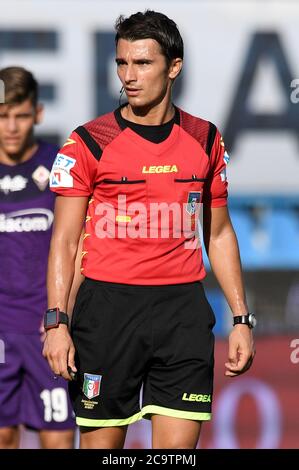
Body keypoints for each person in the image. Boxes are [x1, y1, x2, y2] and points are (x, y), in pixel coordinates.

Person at [43, 10, 256, 449]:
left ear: (174, 67)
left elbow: (218, 235)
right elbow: (64, 241)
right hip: (106, 312)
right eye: (122, 63)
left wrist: (240, 318)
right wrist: (56, 323)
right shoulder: (88, 141)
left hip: (183, 313)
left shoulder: (205, 139)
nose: (128, 76)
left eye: (142, 63)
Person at [0, 66, 76, 448]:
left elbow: (74, 245)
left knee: (59, 440)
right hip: (0, 328)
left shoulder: (60, 166)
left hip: (46, 331)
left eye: (21, 114)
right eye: (2, 115)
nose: (12, 126)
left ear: (38, 113)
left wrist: (62, 319)